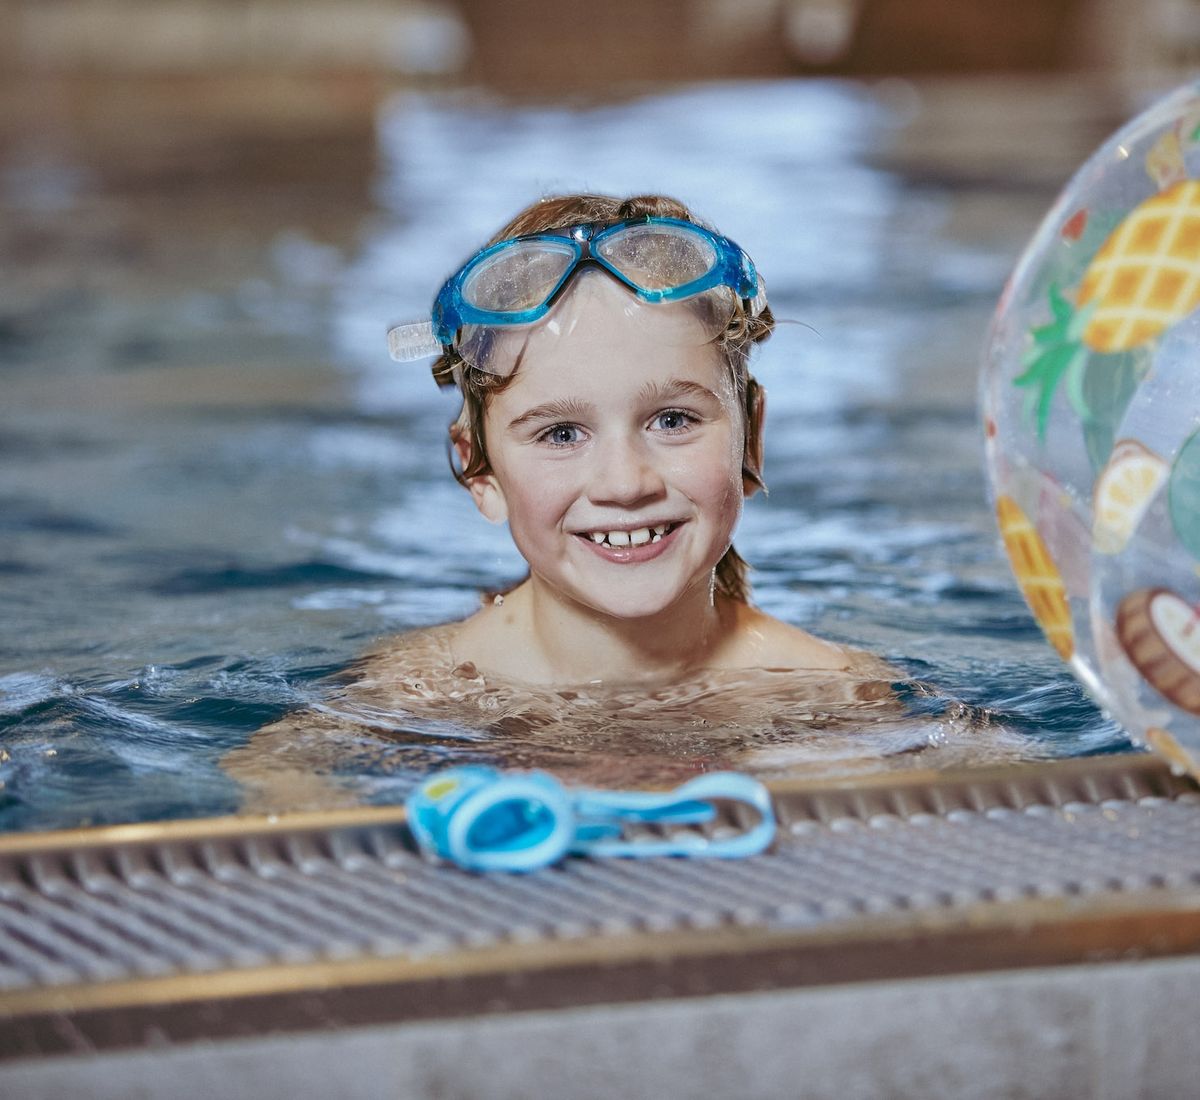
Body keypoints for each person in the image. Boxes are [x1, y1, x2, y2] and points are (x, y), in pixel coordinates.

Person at [377, 192, 884, 686]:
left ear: (751, 439)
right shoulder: (406, 700)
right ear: (480, 474)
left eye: (672, 421)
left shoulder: (839, 699)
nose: (624, 484)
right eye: (560, 434)